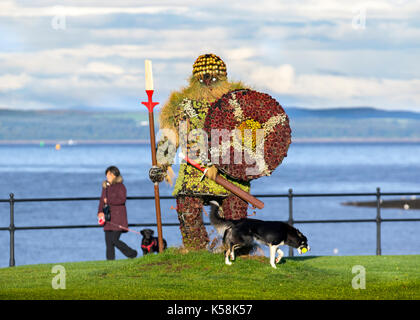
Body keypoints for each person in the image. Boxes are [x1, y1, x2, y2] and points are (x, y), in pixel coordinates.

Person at [97, 166, 137, 260]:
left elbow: (122, 200)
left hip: (119, 218)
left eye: (110, 173)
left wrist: (109, 200)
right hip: (108, 218)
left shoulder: (121, 186)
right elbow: (102, 201)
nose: (108, 175)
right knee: (109, 243)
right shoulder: (105, 187)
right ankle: (110, 262)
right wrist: (100, 212)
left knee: (115, 240)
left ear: (115, 175)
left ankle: (132, 253)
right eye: (107, 173)